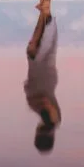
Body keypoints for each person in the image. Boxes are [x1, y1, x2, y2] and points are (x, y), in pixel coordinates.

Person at [24, 11, 61, 154]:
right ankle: (45, 8)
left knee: (47, 24)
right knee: (48, 25)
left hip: (39, 63)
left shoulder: (51, 119)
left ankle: (45, 8)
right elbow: (44, 101)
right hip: (42, 64)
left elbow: (43, 101)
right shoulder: (51, 120)